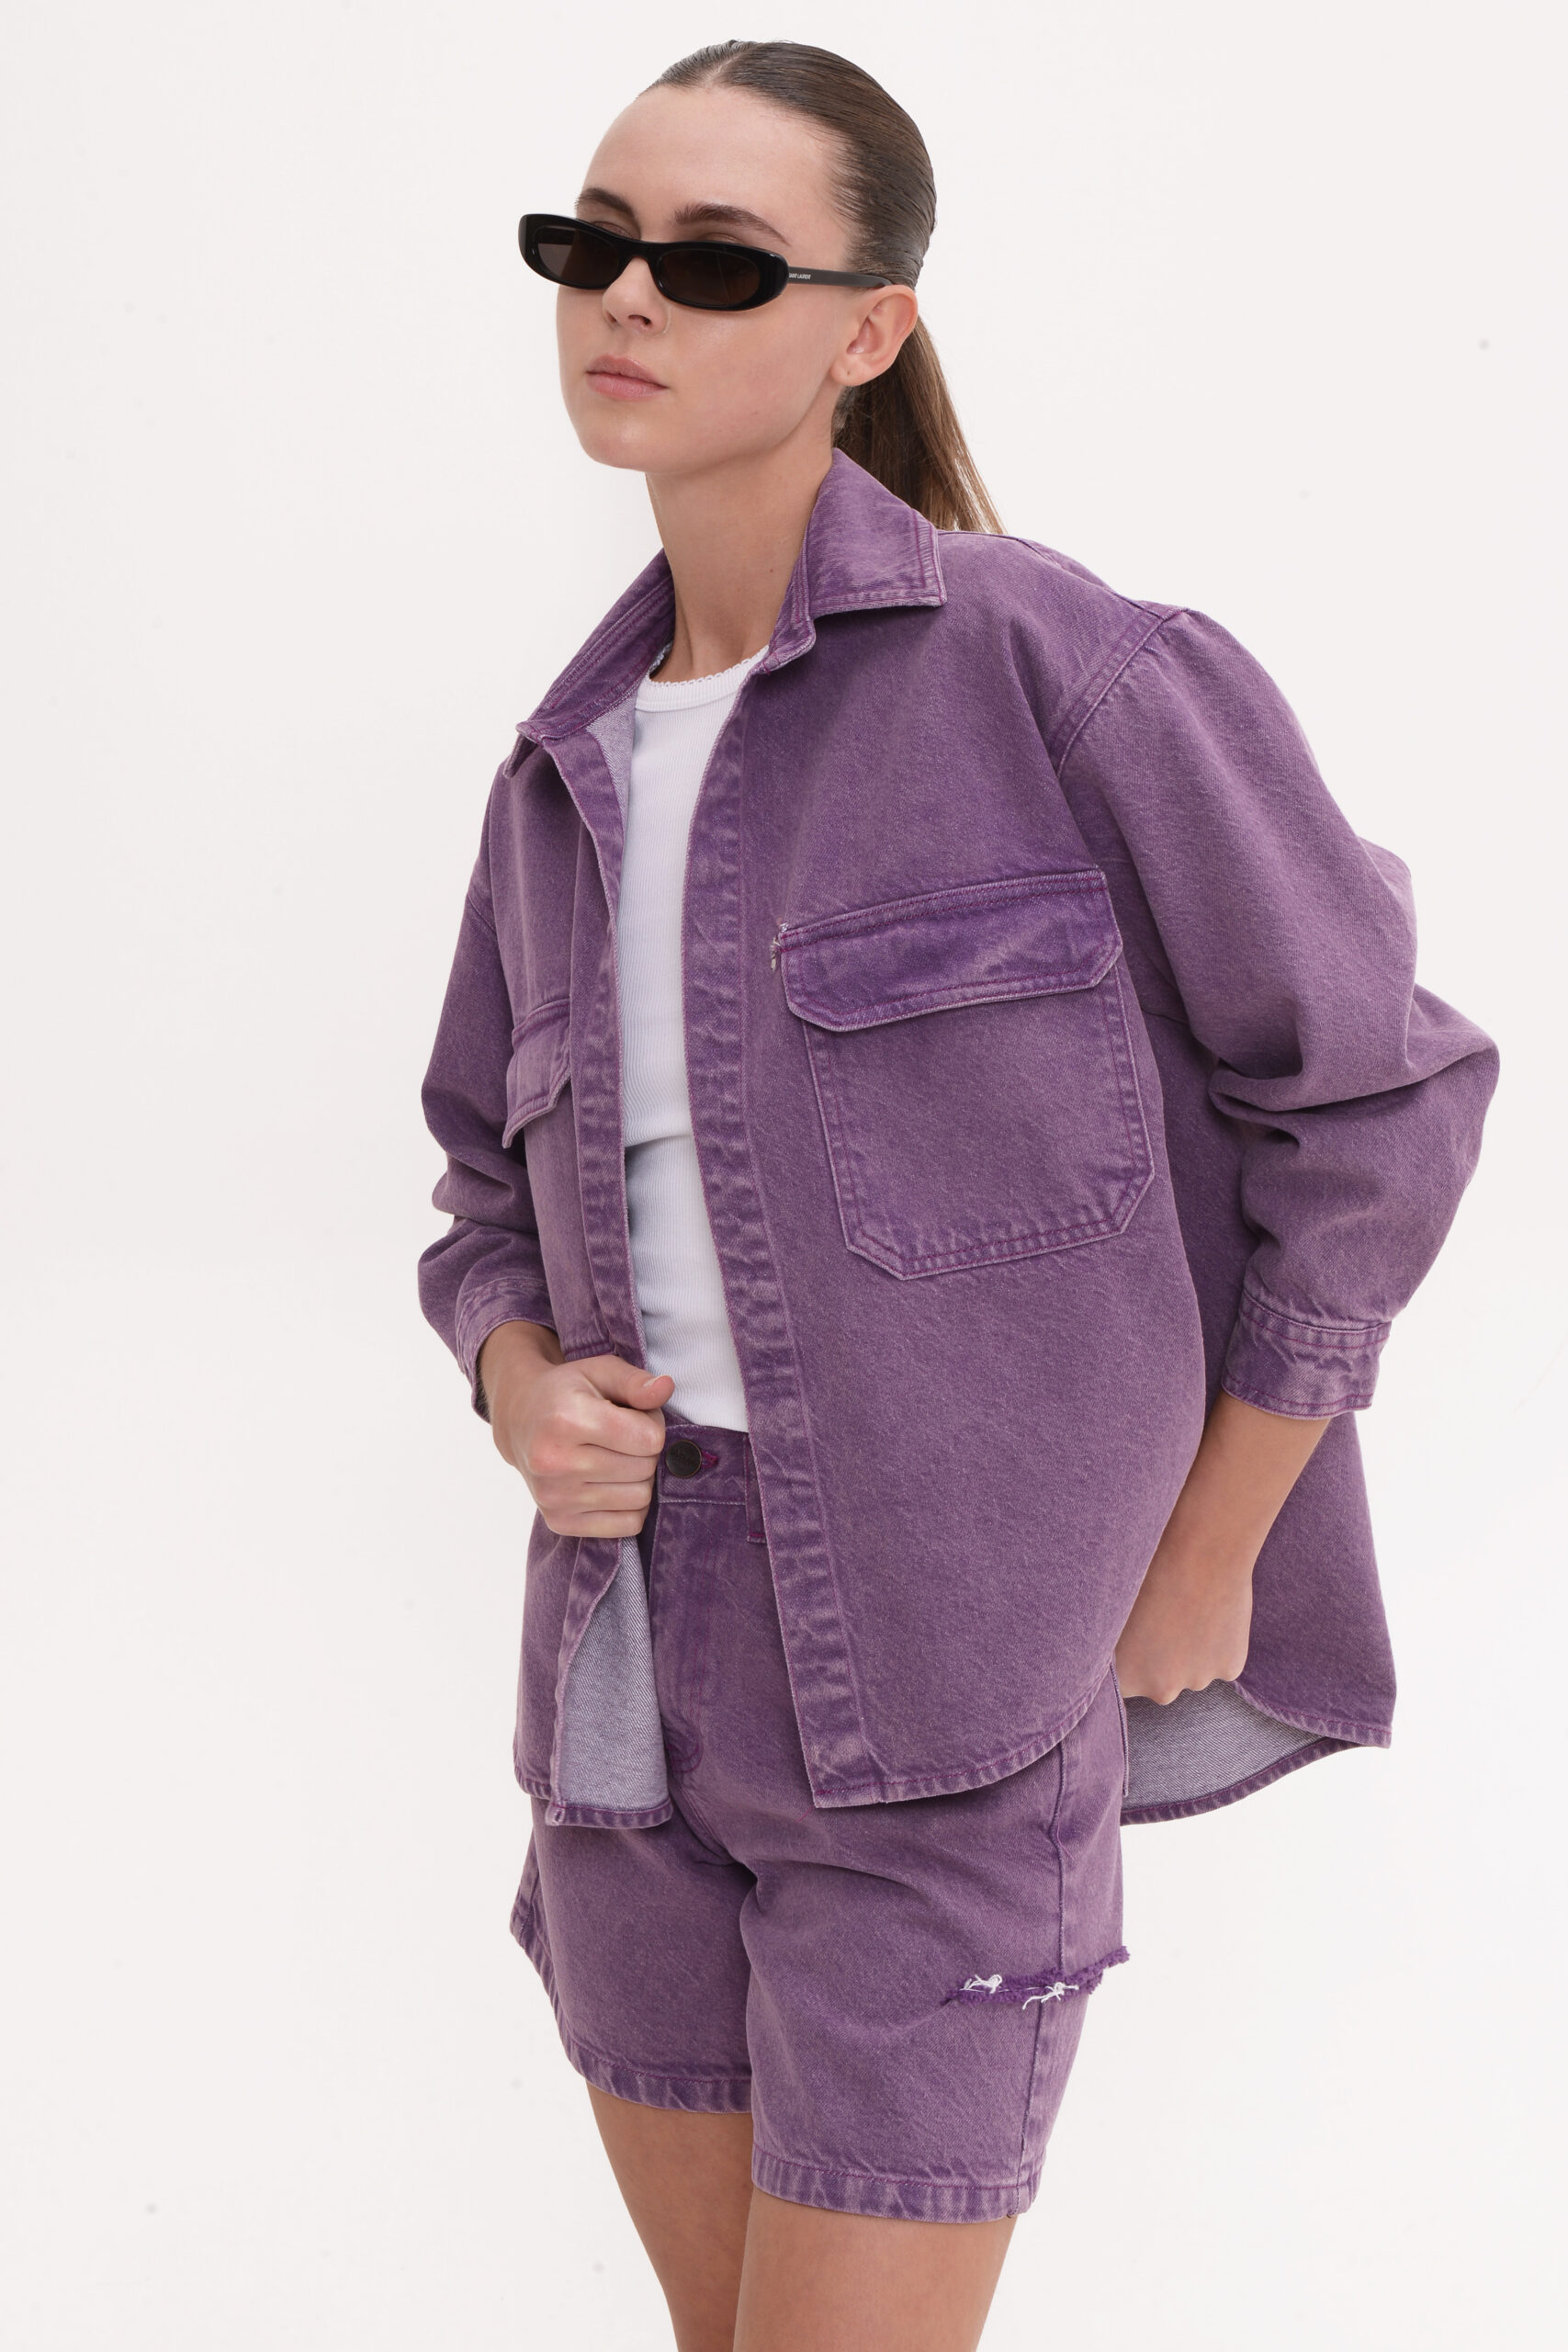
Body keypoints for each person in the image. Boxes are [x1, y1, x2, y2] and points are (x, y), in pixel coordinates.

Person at [417, 40, 1498, 2352]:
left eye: (714, 261)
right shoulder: (556, 774)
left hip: (952, 1668)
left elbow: (1379, 1097)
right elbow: (470, 1190)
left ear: (867, 328)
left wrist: (1210, 1541)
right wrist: (513, 1372)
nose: (627, 295)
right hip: (622, 1685)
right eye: (588, 244)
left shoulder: (1055, 668)